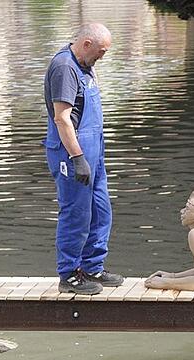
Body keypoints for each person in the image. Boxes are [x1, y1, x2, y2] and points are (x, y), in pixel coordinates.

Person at [43, 22, 124, 295]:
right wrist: (78, 157)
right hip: (72, 151)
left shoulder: (85, 67)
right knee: (76, 214)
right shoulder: (65, 68)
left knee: (101, 211)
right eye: (101, 51)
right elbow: (61, 118)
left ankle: (92, 267)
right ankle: (69, 274)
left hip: (94, 150)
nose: (102, 57)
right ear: (86, 43)